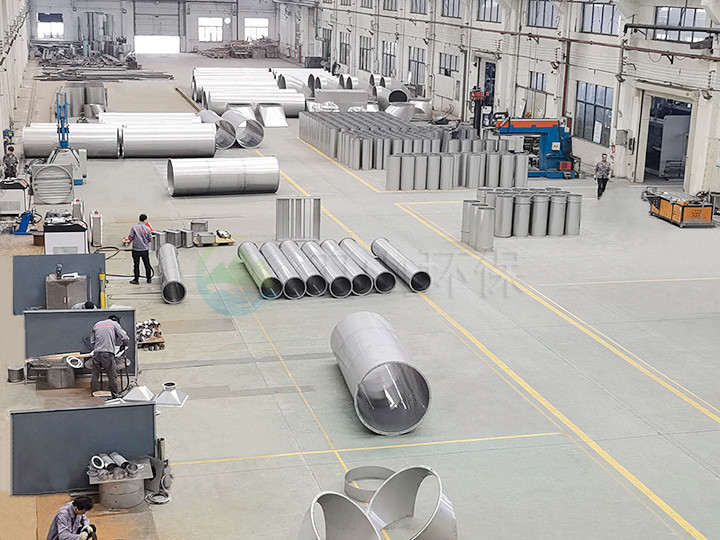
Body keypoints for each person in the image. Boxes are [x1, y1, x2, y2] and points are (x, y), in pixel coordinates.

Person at [90, 315, 129, 398]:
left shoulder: (97, 324)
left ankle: (94, 392)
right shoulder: (114, 324)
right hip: (107, 353)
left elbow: (92, 341)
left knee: (95, 375)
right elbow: (125, 338)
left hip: (96, 353)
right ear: (116, 321)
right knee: (112, 375)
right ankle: (115, 394)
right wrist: (124, 345)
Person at [123, 213, 154, 285]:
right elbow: (150, 239)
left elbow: (130, 238)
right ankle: (149, 279)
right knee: (147, 264)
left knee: (136, 265)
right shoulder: (148, 229)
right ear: (145, 220)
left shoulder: (134, 227)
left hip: (136, 250)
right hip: (144, 249)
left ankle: (136, 279)